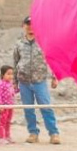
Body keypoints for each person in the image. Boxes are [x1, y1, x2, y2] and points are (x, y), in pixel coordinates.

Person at [13, 15, 60, 144]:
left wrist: (54, 77)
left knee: (46, 107)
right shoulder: (19, 44)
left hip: (40, 81)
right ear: (23, 26)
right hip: (24, 82)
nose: (30, 28)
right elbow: (15, 62)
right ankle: (33, 133)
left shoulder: (44, 42)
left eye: (33, 25)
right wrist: (14, 83)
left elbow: (52, 60)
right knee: (28, 109)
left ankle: (54, 133)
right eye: (28, 25)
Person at [0, 65, 17, 145]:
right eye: (8, 74)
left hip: (11, 106)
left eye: (12, 74)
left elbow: (13, 92)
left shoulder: (10, 83)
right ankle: (1, 138)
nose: (11, 76)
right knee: (2, 122)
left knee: (8, 121)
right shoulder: (0, 84)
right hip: (4, 106)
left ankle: (7, 136)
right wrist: (0, 105)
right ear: (2, 74)